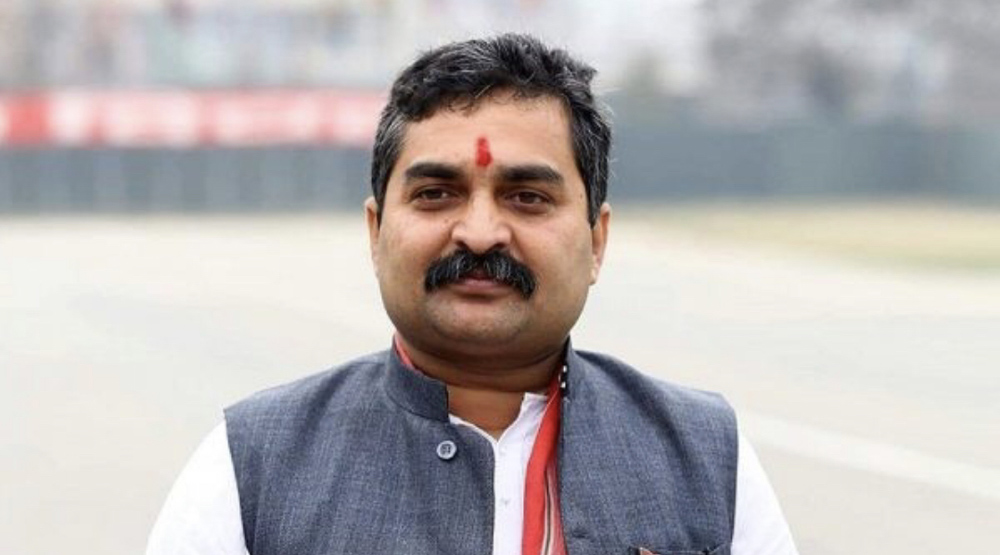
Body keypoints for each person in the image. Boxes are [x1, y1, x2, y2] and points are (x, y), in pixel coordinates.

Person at [147, 34, 797, 555]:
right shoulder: (255, 465)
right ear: (376, 231)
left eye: (527, 197)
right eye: (436, 194)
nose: (481, 232)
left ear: (596, 240)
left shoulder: (705, 458)